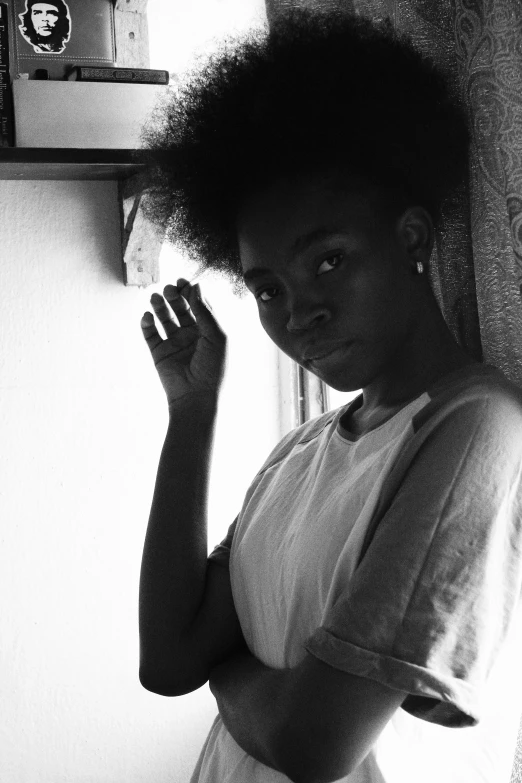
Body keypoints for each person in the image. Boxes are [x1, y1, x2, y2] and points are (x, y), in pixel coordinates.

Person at [137, 9, 522, 783]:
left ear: (412, 238)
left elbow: (317, 742)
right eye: (267, 287)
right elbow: (171, 656)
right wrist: (191, 415)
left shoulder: (474, 426)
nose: (297, 313)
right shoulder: (301, 452)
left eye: (329, 261)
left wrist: (233, 673)